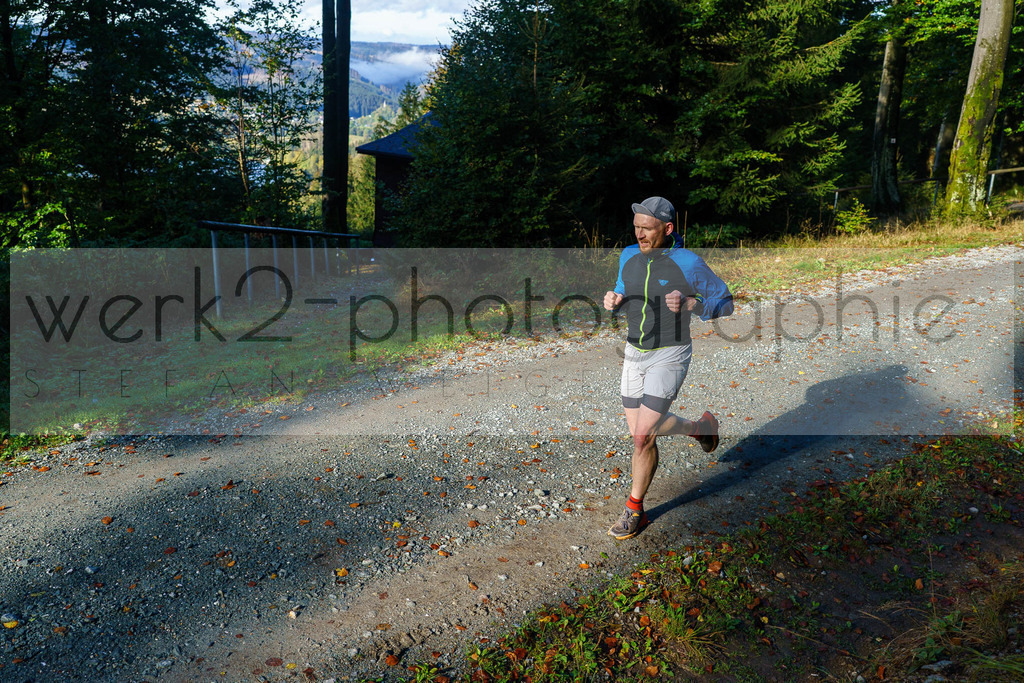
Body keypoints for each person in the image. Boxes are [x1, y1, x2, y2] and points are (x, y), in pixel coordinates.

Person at [602, 196, 734, 540]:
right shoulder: (628, 255)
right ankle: (700, 429)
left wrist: (693, 303)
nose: (640, 234)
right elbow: (622, 288)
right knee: (642, 433)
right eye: (636, 228)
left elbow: (725, 300)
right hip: (635, 351)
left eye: (646, 229)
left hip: (671, 353)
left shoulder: (688, 263)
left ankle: (635, 510)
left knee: (643, 437)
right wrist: (614, 300)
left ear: (668, 228)